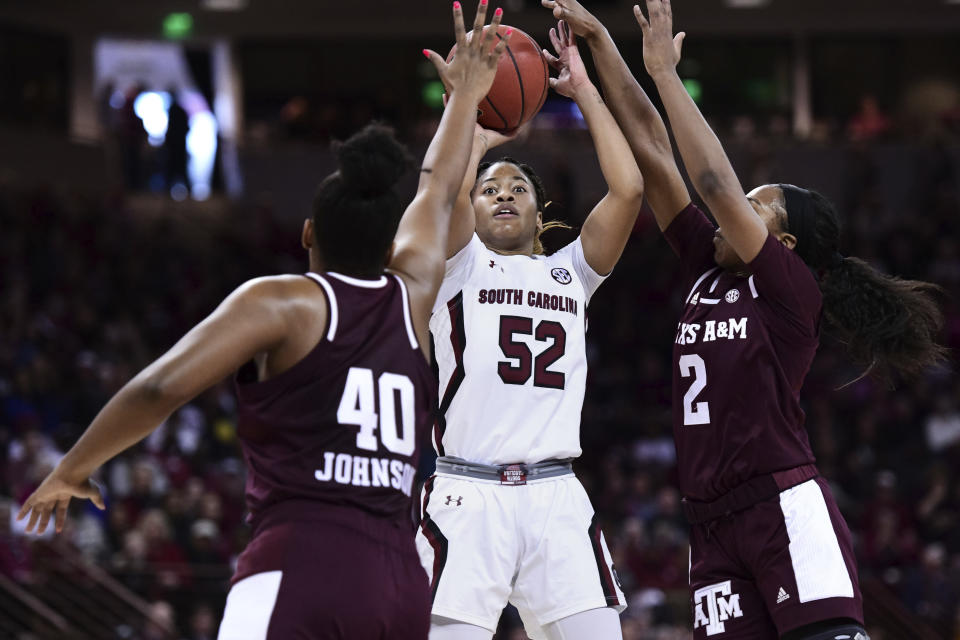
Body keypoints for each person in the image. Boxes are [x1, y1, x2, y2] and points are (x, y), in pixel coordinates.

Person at [16, 3, 510, 638]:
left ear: (308, 232)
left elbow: (159, 388)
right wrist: (466, 97)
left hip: (301, 559)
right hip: (398, 582)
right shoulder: (412, 293)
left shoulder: (286, 302)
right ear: (390, 247)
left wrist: (72, 467)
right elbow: (437, 191)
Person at [541, 0, 946, 638]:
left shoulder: (789, 291)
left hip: (783, 506)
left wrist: (668, 75)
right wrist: (600, 48)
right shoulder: (708, 262)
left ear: (782, 245)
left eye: (760, 209)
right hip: (710, 524)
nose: (739, 209)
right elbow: (651, 149)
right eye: (748, 202)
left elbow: (715, 183)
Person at [416, 19, 645, 640]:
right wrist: (472, 124)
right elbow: (442, 193)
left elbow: (628, 189)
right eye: (491, 189)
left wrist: (583, 90)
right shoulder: (458, 263)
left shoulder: (571, 272)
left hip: (555, 494)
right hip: (467, 493)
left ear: (540, 216)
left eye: (519, 187)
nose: (504, 194)